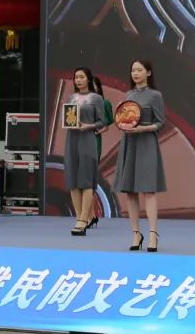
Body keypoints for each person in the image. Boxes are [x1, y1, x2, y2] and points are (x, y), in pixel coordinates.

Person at [113, 59, 167, 252]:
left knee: (149, 190)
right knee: (130, 190)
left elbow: (161, 123)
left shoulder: (155, 95)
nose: (135, 73)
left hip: (146, 143)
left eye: (139, 70)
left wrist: (143, 129)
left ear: (148, 73)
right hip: (130, 143)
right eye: (133, 70)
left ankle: (153, 234)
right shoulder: (128, 95)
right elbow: (124, 120)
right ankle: (136, 233)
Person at [63, 67, 105, 236]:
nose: (78, 80)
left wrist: (89, 126)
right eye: (76, 77)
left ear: (88, 79)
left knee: (86, 179)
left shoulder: (96, 98)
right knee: (73, 179)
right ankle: (80, 218)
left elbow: (102, 122)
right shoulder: (71, 97)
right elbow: (68, 117)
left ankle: (83, 219)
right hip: (72, 139)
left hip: (88, 139)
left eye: (81, 77)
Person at [89, 75, 115, 228]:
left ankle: (91, 215)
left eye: (93, 85)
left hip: (93, 140)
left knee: (89, 177)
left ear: (98, 87)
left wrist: (99, 130)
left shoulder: (105, 103)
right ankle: (88, 215)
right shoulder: (81, 101)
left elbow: (108, 123)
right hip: (79, 139)